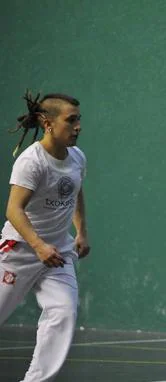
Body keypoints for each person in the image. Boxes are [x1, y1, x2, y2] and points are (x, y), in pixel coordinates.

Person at [0, 91, 90, 382]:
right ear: (47, 123)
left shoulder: (77, 157)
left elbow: (76, 191)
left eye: (79, 119)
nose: (78, 126)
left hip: (58, 252)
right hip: (20, 250)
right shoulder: (31, 162)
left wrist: (81, 231)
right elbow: (14, 209)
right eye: (71, 120)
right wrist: (38, 245)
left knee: (63, 313)